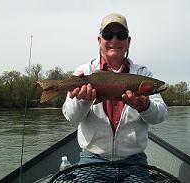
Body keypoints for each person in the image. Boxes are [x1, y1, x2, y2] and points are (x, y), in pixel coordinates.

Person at [62, 12, 167, 169]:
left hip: (134, 160)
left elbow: (160, 116)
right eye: (108, 34)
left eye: (121, 35)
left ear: (128, 41)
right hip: (92, 159)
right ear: (99, 40)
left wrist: (145, 107)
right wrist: (83, 100)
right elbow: (71, 117)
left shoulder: (143, 73)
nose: (114, 40)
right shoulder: (84, 71)